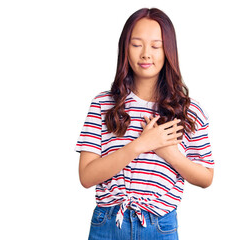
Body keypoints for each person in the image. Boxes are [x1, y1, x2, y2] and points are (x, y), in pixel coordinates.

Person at [75, 8, 214, 240]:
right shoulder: (103, 104)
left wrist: (169, 153)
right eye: (137, 44)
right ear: (125, 49)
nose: (146, 54)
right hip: (108, 224)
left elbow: (206, 177)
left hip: (160, 226)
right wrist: (140, 145)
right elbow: (86, 177)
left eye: (155, 46)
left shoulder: (189, 111)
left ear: (168, 50)